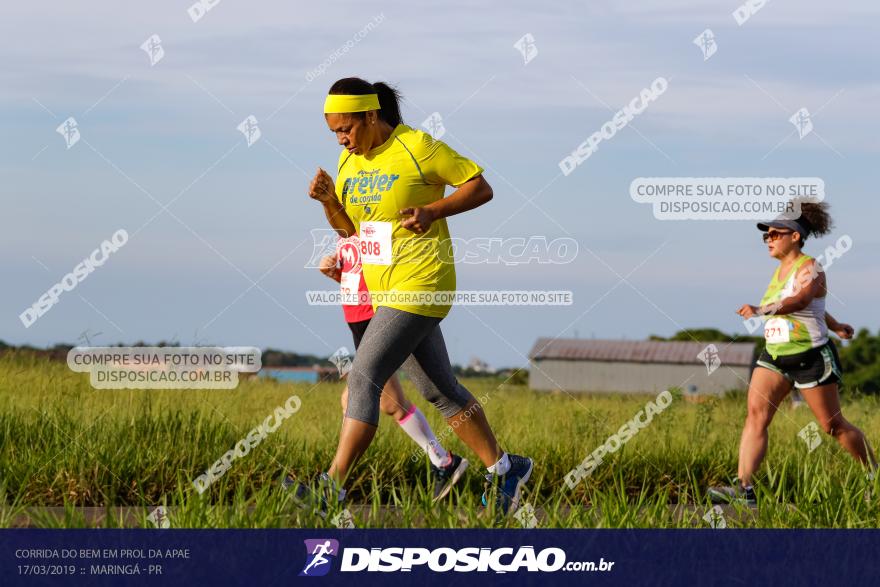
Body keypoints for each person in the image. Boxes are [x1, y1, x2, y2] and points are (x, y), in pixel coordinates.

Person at [304, 77, 533, 515]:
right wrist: (328, 200)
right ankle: (506, 469)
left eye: (345, 128)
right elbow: (349, 229)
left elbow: (480, 187)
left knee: (364, 376)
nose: (341, 139)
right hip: (385, 288)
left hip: (423, 280)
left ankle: (329, 486)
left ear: (371, 115)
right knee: (439, 391)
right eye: (333, 131)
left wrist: (433, 210)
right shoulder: (350, 163)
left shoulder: (418, 146)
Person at [709, 201, 877, 505]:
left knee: (833, 426)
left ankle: (874, 475)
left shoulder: (810, 267)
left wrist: (761, 309)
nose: (769, 239)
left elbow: (800, 301)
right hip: (775, 356)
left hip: (810, 357)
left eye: (775, 234)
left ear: (795, 236)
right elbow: (814, 307)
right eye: (766, 236)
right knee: (756, 416)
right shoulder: (779, 271)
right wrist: (836, 324)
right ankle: (744, 488)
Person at [316, 234, 468, 502]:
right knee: (391, 402)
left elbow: (386, 274)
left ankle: (332, 488)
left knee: (358, 397)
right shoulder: (346, 228)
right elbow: (357, 276)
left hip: (377, 315)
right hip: (358, 318)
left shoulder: (375, 223)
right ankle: (444, 461)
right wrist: (336, 274)